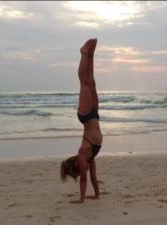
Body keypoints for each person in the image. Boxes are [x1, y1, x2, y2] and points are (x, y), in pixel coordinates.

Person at [60, 38, 102, 204]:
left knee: (84, 83)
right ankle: (90, 55)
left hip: (86, 116)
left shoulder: (82, 156)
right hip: (94, 115)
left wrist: (81, 199)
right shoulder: (89, 159)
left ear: (75, 167)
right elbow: (93, 177)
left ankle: (84, 54)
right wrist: (97, 194)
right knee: (91, 82)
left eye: (76, 174)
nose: (79, 175)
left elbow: (84, 180)